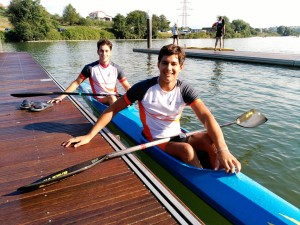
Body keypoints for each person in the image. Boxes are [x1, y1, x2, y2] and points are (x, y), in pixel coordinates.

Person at [62, 44, 241, 174]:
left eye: (173, 64)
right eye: (164, 63)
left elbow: (207, 118)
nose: (168, 68)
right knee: (187, 150)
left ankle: (221, 167)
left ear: (181, 67)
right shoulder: (143, 88)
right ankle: (202, 179)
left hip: (177, 135)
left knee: (210, 138)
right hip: (155, 139)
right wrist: (89, 136)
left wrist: (222, 148)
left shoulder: (185, 89)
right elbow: (112, 110)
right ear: (158, 65)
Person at [48, 39, 131, 105]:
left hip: (114, 97)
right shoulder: (90, 68)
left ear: (110, 52)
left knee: (125, 97)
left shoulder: (117, 68)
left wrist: (135, 96)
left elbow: (127, 86)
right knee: (112, 98)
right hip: (100, 99)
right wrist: (61, 97)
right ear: (98, 51)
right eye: (101, 51)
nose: (104, 53)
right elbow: (76, 83)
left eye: (106, 51)